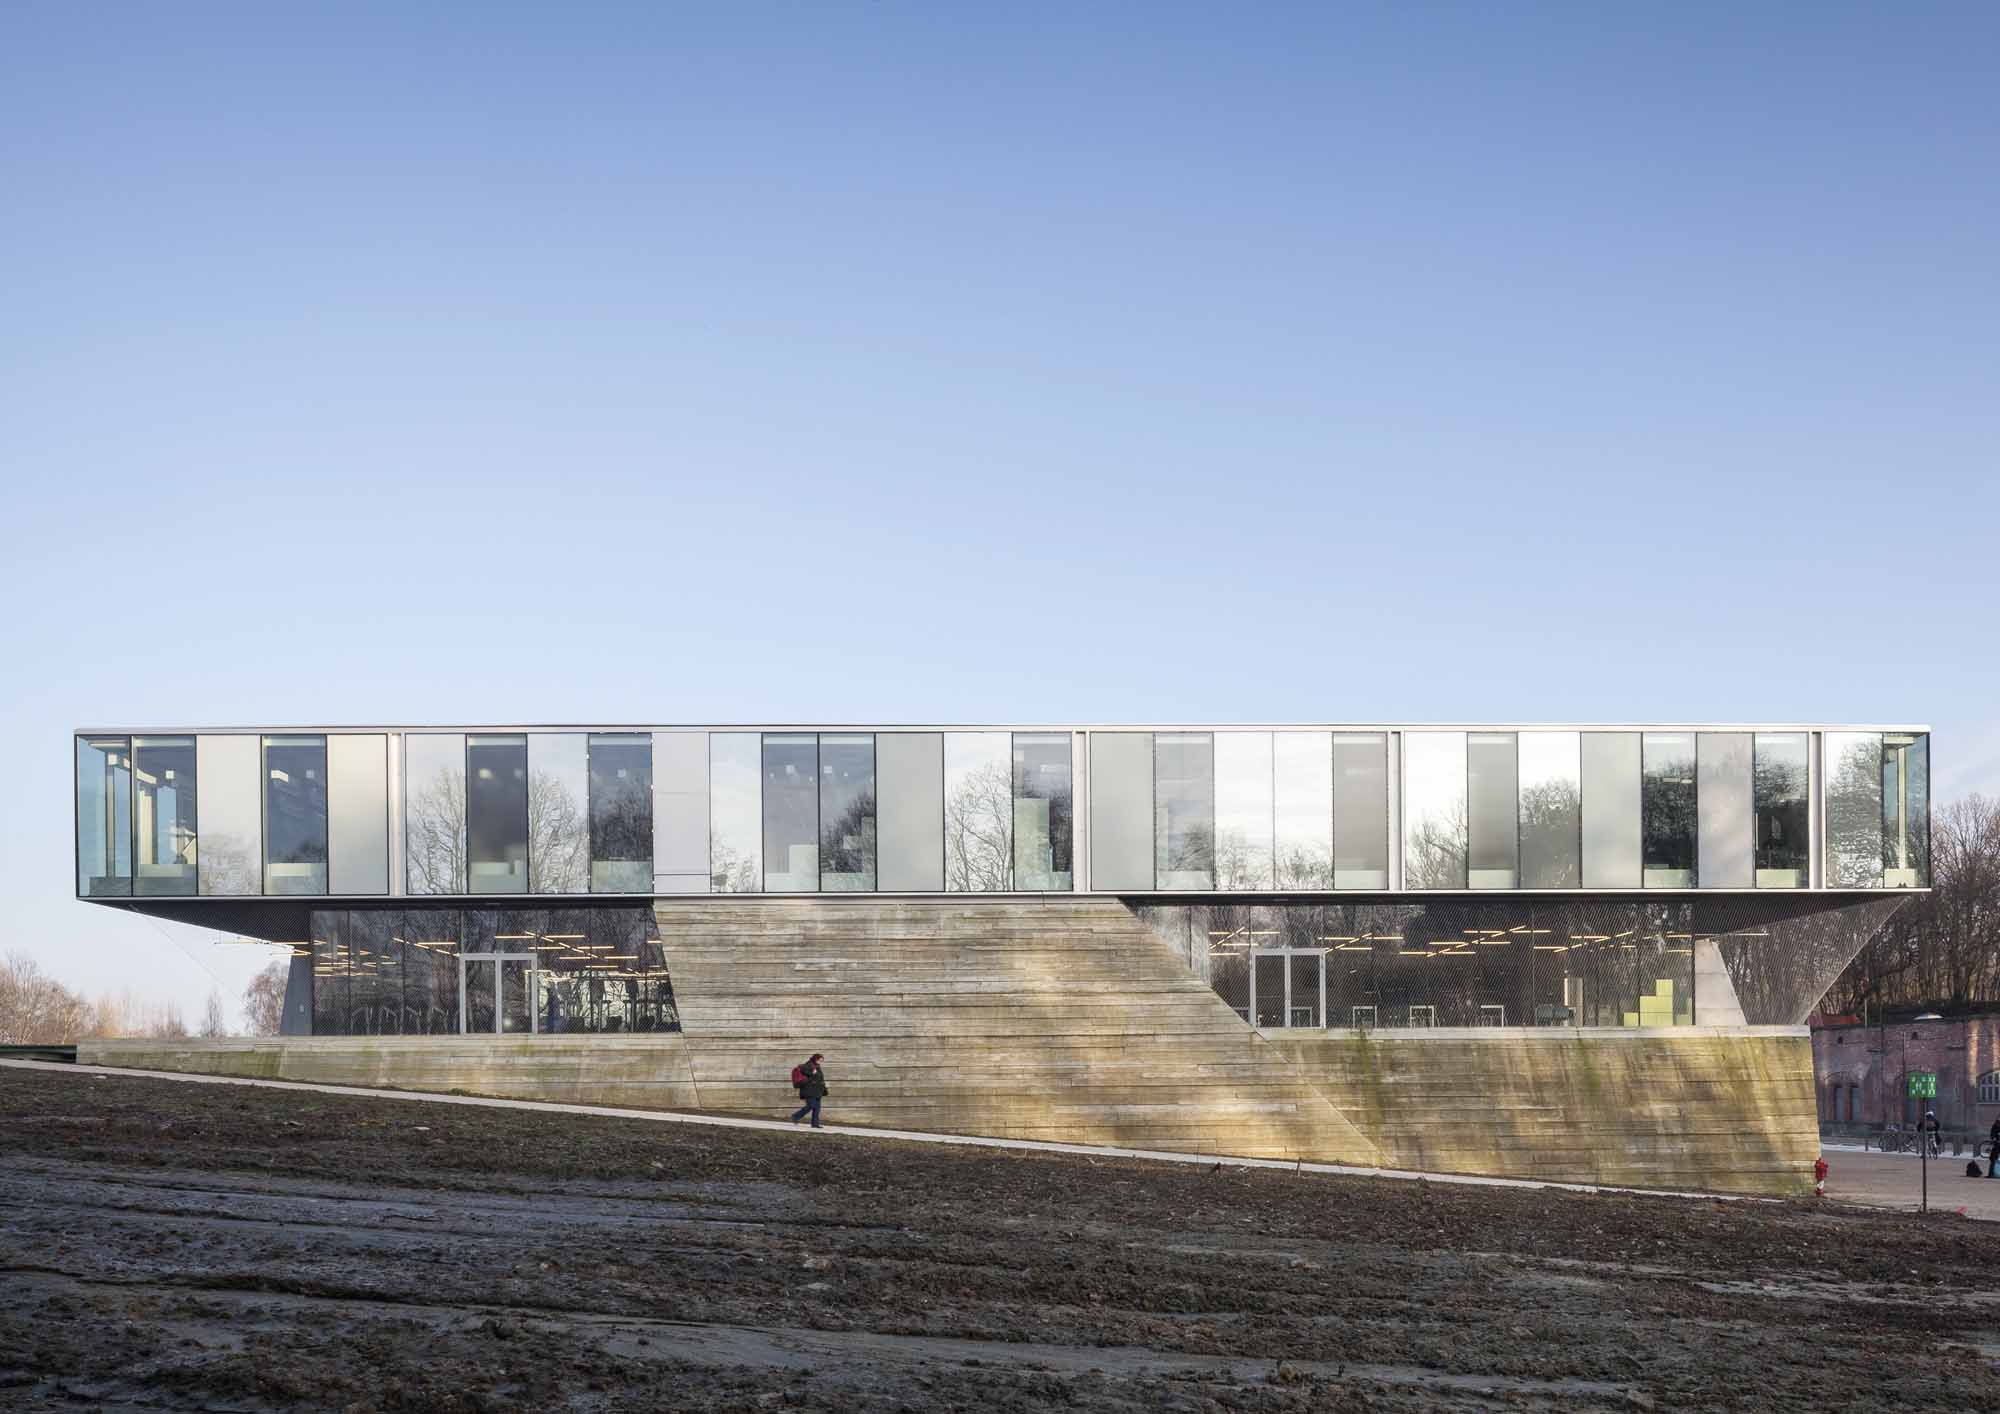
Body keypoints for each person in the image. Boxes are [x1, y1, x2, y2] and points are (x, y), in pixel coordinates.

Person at [790, 1053, 827, 1128]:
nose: (820, 1062)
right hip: (808, 1090)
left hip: (817, 1091)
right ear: (815, 1059)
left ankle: (815, 1124)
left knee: (817, 1108)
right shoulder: (807, 1065)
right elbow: (805, 1074)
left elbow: (820, 1079)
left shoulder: (817, 1066)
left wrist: (824, 1088)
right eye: (819, 1060)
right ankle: (795, 1116)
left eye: (821, 1061)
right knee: (811, 1105)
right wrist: (812, 1073)